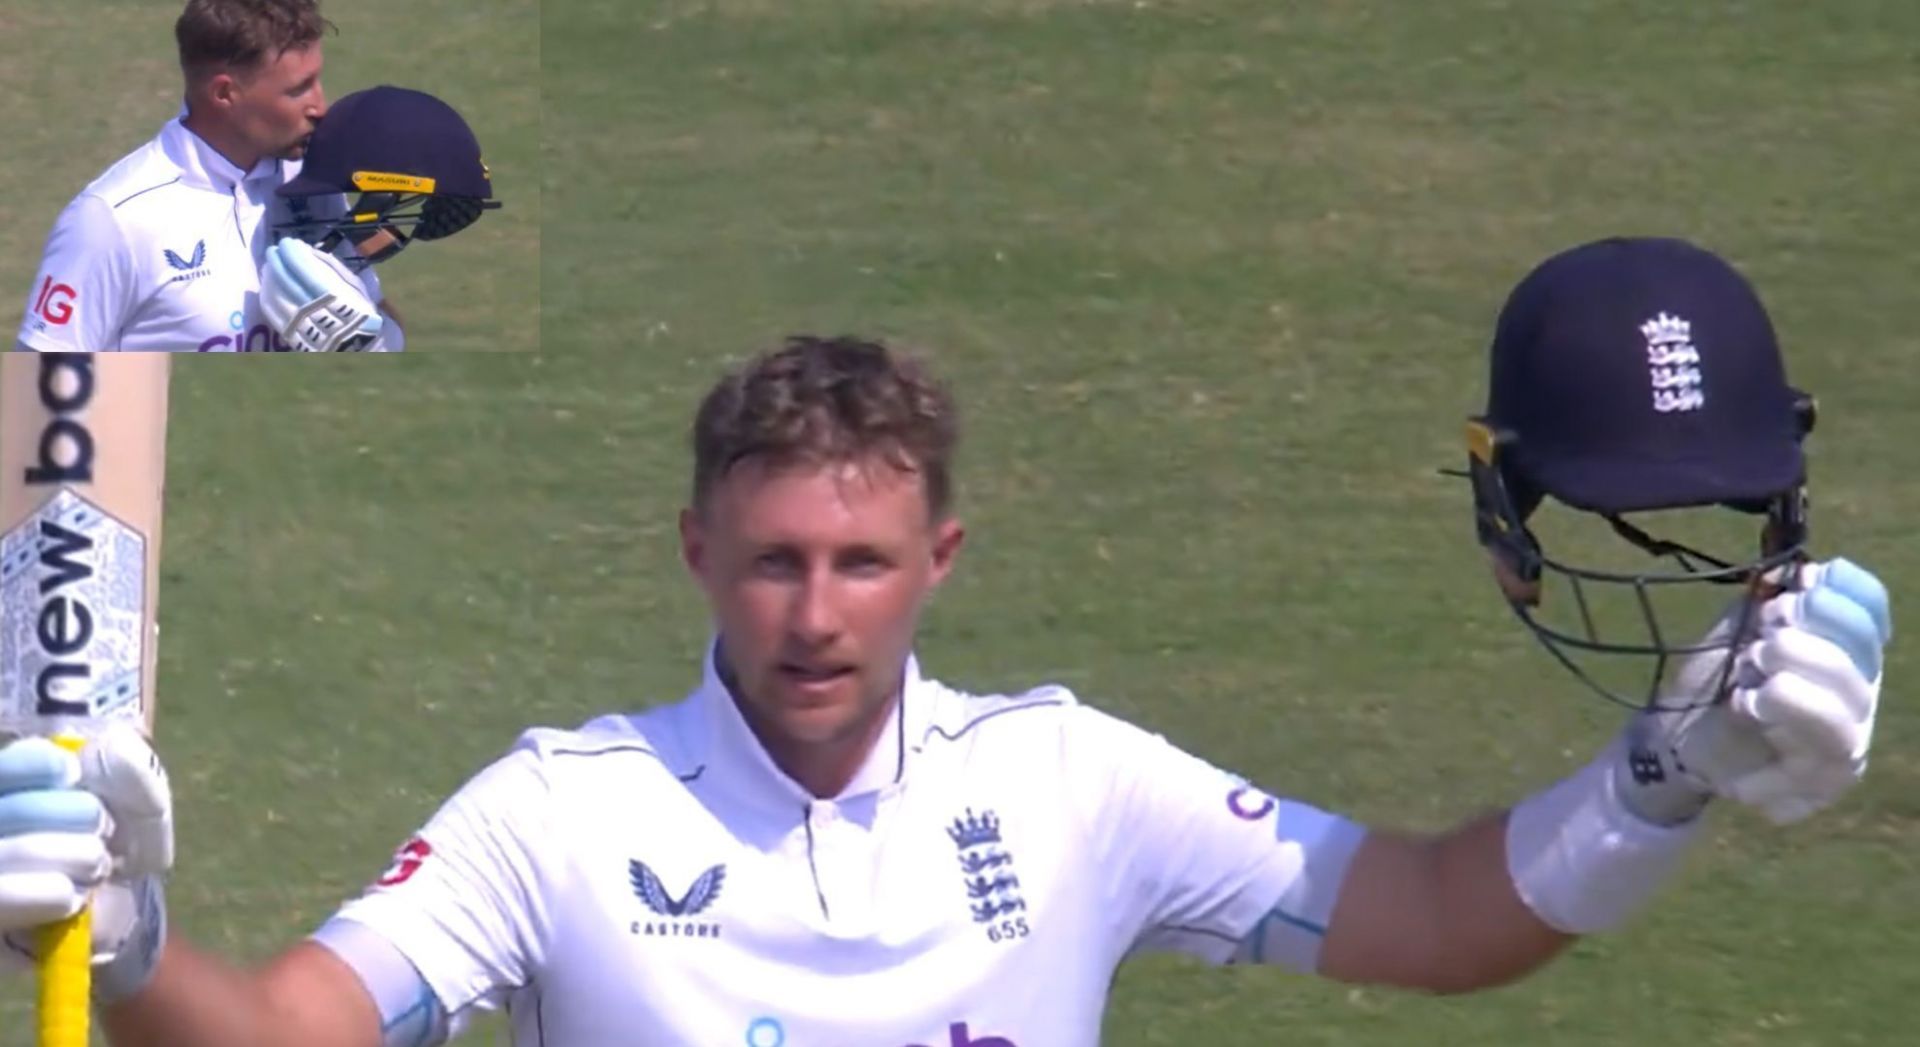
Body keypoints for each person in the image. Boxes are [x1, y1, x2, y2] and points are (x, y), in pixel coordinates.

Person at [0, 240, 1890, 1044]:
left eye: (860, 560)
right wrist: (134, 936)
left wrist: (1656, 785)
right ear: (692, 551)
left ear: (941, 558)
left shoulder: (1069, 786)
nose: (814, 614)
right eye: (770, 561)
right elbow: (279, 1032)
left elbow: (1425, 915)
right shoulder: (554, 815)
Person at [12, 0, 402, 352]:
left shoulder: (314, 183)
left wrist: (372, 341)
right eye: (298, 89)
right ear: (225, 94)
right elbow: (42, 387)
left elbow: (375, 320)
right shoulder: (113, 220)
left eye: (317, 80)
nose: (320, 105)